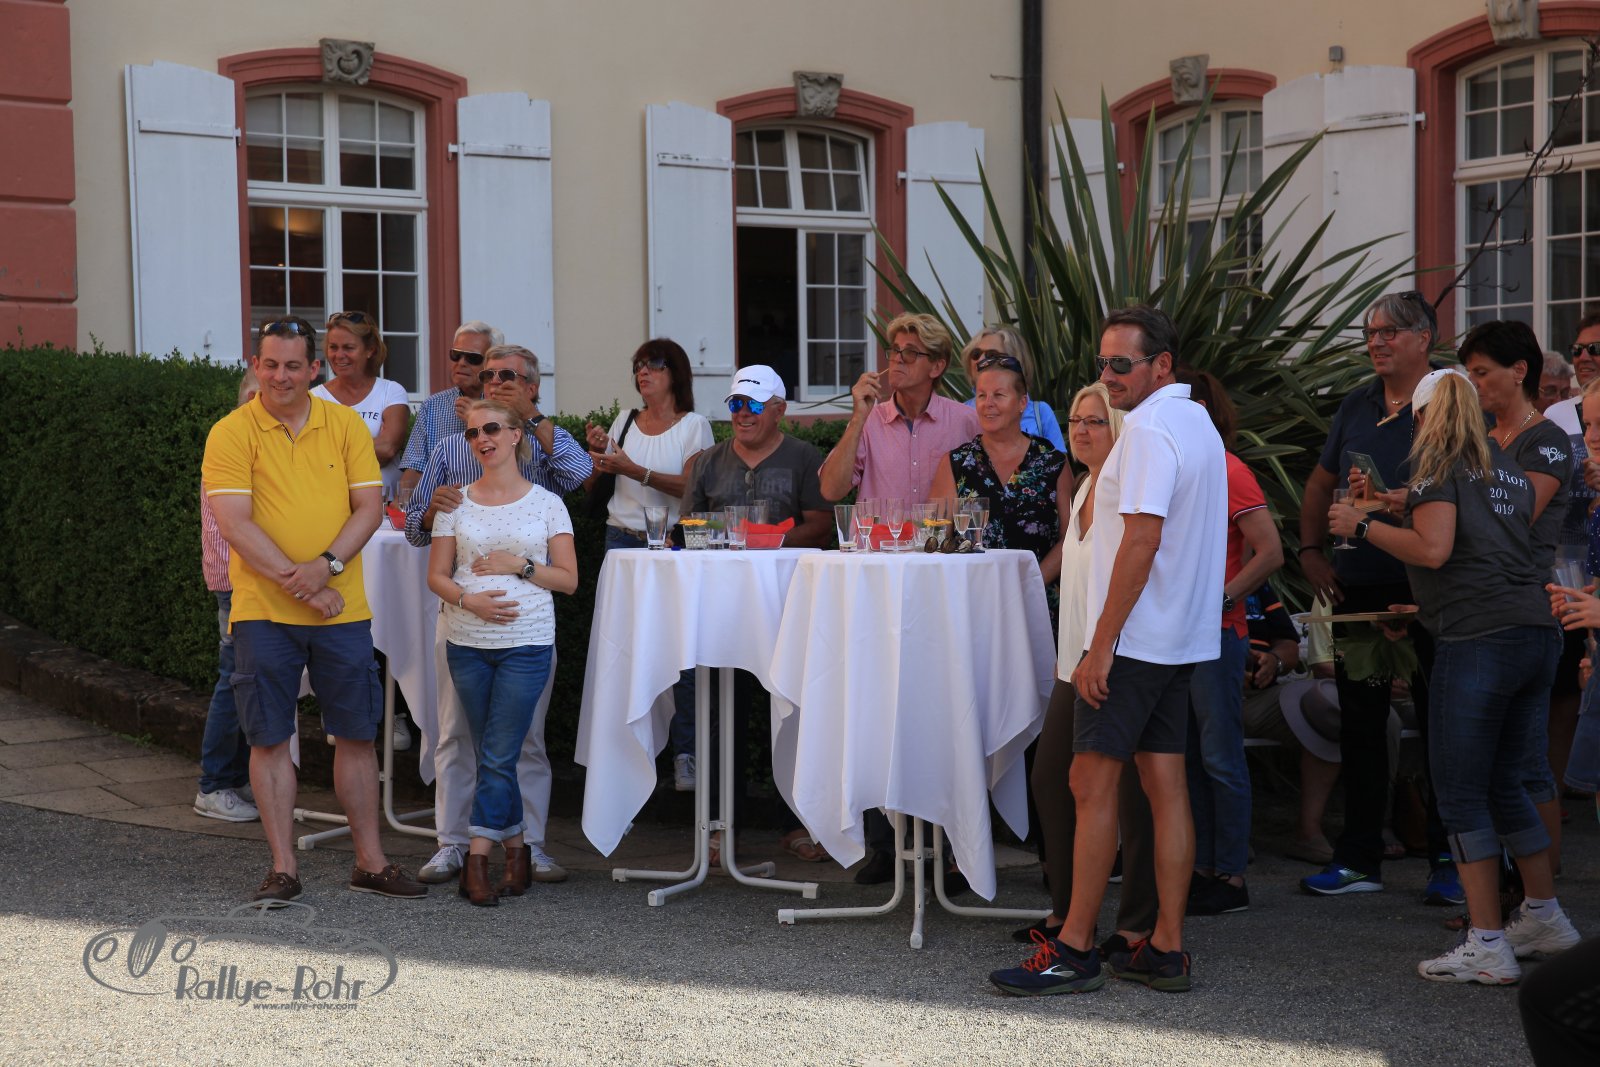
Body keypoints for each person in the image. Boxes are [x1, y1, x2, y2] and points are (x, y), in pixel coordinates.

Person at [990, 304, 1226, 997]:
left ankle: (1073, 948)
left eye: (1122, 363)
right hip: (1178, 639)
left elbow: (1143, 540)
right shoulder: (1198, 422)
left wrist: (1100, 645)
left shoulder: (1148, 429)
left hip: (1136, 642)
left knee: (1089, 786)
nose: (1110, 374)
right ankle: (1166, 948)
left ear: (1162, 364)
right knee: (1164, 787)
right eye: (1103, 362)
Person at [1329, 366, 1580, 984]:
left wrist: (1361, 525)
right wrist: (1423, 606)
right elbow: (1482, 550)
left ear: (1422, 417)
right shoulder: (1504, 470)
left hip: (1479, 640)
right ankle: (1543, 915)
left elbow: (1435, 548)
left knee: (1462, 792)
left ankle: (1487, 941)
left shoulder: (1436, 464)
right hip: (1532, 631)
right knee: (1507, 784)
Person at [202, 316, 425, 903]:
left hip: (340, 608)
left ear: (314, 369)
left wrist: (324, 569)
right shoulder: (230, 432)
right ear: (255, 366)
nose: (281, 376)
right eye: (271, 364)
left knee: (356, 736)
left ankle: (370, 863)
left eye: (294, 365)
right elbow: (235, 524)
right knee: (269, 739)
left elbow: (368, 508)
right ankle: (284, 868)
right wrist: (307, 585)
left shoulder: (344, 424)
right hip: (263, 611)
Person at [405, 344, 591, 886]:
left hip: (527, 630)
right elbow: (415, 527)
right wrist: (432, 509)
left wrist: (529, 419)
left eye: (506, 374)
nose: (492, 381)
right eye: (486, 373)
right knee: (455, 733)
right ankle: (454, 843)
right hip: (462, 624)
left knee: (522, 741)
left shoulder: (543, 445)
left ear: (531, 386)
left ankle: (527, 844)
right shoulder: (449, 447)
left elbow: (581, 476)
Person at [1298, 290, 1454, 902]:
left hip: (1427, 587)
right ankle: (1359, 857)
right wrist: (1310, 551)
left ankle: (1451, 859)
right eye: (1370, 332)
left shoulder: (1447, 402)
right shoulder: (1357, 403)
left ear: (1424, 338)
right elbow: (1321, 481)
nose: (1377, 342)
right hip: (1358, 586)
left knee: (1442, 723)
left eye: (1390, 332)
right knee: (1361, 724)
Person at [817, 312, 978, 882]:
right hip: (879, 587)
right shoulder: (871, 420)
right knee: (877, 708)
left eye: (911, 353)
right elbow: (832, 488)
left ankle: (952, 845)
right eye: (894, 350)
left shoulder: (965, 420)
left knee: (942, 708)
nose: (897, 360)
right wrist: (858, 416)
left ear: (937, 366)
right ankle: (884, 845)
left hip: (940, 586)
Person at [1015, 383, 1155, 951]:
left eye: (1095, 421)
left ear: (1118, 429)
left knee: (1135, 796)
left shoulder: (1126, 492)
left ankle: (1137, 924)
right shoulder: (1082, 488)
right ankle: (1069, 912)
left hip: (1120, 656)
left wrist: (1105, 647)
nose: (1080, 430)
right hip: (1073, 661)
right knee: (1050, 780)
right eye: (1075, 420)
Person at [681, 365, 832, 863]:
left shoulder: (805, 457)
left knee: (794, 711)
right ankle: (721, 825)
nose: (741, 414)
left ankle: (801, 821)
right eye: (735, 404)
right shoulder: (707, 461)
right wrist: (723, 535)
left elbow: (823, 524)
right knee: (721, 714)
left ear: (779, 410)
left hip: (790, 607)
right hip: (722, 612)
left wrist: (770, 539)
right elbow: (689, 527)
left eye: (752, 405)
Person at [1461, 319, 1570, 872]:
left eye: (1482, 372)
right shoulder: (1482, 436)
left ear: (1519, 371)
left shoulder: (1546, 439)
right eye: (1470, 374)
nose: (1475, 384)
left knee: (1526, 765)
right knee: (1489, 767)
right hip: (1478, 610)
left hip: (1525, 608)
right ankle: (1514, 889)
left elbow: (1515, 515)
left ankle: (1542, 890)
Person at [1173, 368, 1281, 917]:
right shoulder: (1183, 466)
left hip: (1217, 635)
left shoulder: (1228, 467)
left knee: (1218, 756)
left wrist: (1219, 598)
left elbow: (1270, 551)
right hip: (1180, 636)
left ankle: (1231, 876)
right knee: (1189, 757)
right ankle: (1202, 869)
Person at [584, 339, 714, 792]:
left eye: (654, 364)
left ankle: (685, 753)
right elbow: (597, 486)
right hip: (621, 541)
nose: (643, 372)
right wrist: (601, 457)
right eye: (638, 365)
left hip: (676, 543)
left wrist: (630, 467)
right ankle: (623, 753)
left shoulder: (694, 425)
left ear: (675, 373)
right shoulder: (624, 421)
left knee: (681, 654)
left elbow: (693, 488)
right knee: (620, 649)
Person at [929, 348, 1072, 584]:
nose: (988, 403)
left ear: (1022, 402)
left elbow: (1071, 538)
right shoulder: (956, 463)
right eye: (982, 395)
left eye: (999, 395)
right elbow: (935, 539)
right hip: (973, 595)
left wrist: (1030, 584)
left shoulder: (1052, 462)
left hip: (1037, 596)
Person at [193, 367, 261, 823]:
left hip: (241, 577)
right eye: (257, 395)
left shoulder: (245, 441)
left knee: (243, 680)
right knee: (234, 679)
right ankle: (214, 784)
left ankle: (231, 778)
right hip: (236, 579)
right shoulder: (234, 442)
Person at [1539, 312, 1600, 800]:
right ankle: (1558, 794)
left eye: (1593, 349)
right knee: (1565, 689)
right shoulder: (1559, 417)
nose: (1584, 357)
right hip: (1570, 573)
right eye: (1578, 348)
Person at [397, 321, 503, 496]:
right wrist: (402, 504)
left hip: (493, 503)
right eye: (456, 355)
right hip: (440, 507)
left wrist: (477, 419)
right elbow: (415, 469)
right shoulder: (433, 405)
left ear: (492, 364)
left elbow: (516, 465)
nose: (461, 363)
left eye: (473, 358)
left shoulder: (506, 404)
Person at [312, 310, 409, 497]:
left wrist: (333, 448)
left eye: (348, 348)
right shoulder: (314, 398)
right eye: (333, 347)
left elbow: (387, 448)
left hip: (385, 506)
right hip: (333, 503)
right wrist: (371, 447)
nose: (339, 355)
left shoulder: (391, 391)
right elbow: (313, 457)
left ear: (370, 350)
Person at [957, 327, 1064, 450]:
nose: (980, 360)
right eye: (976, 354)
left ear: (1014, 360)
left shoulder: (1040, 413)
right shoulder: (961, 414)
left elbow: (1059, 459)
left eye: (991, 355)